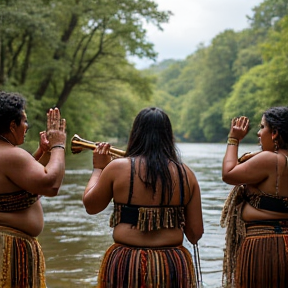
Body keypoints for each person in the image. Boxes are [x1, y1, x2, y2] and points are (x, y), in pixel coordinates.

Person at [82, 107, 204, 288]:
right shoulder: (186, 174)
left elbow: (91, 206)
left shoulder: (116, 168)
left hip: (126, 263)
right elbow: (195, 234)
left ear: (136, 134)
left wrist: (99, 168)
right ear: (168, 136)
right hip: (172, 265)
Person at [0, 91, 67, 288]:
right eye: (24, 121)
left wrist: (42, 153)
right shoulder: (11, 155)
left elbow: (21, 182)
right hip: (8, 249)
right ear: (12, 125)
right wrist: (58, 146)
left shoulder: (9, 155)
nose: (27, 127)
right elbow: (50, 184)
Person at [221, 107, 288, 288]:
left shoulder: (270, 160)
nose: (258, 133)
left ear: (274, 133)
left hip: (265, 245)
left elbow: (228, 174)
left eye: (262, 127)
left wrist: (233, 139)